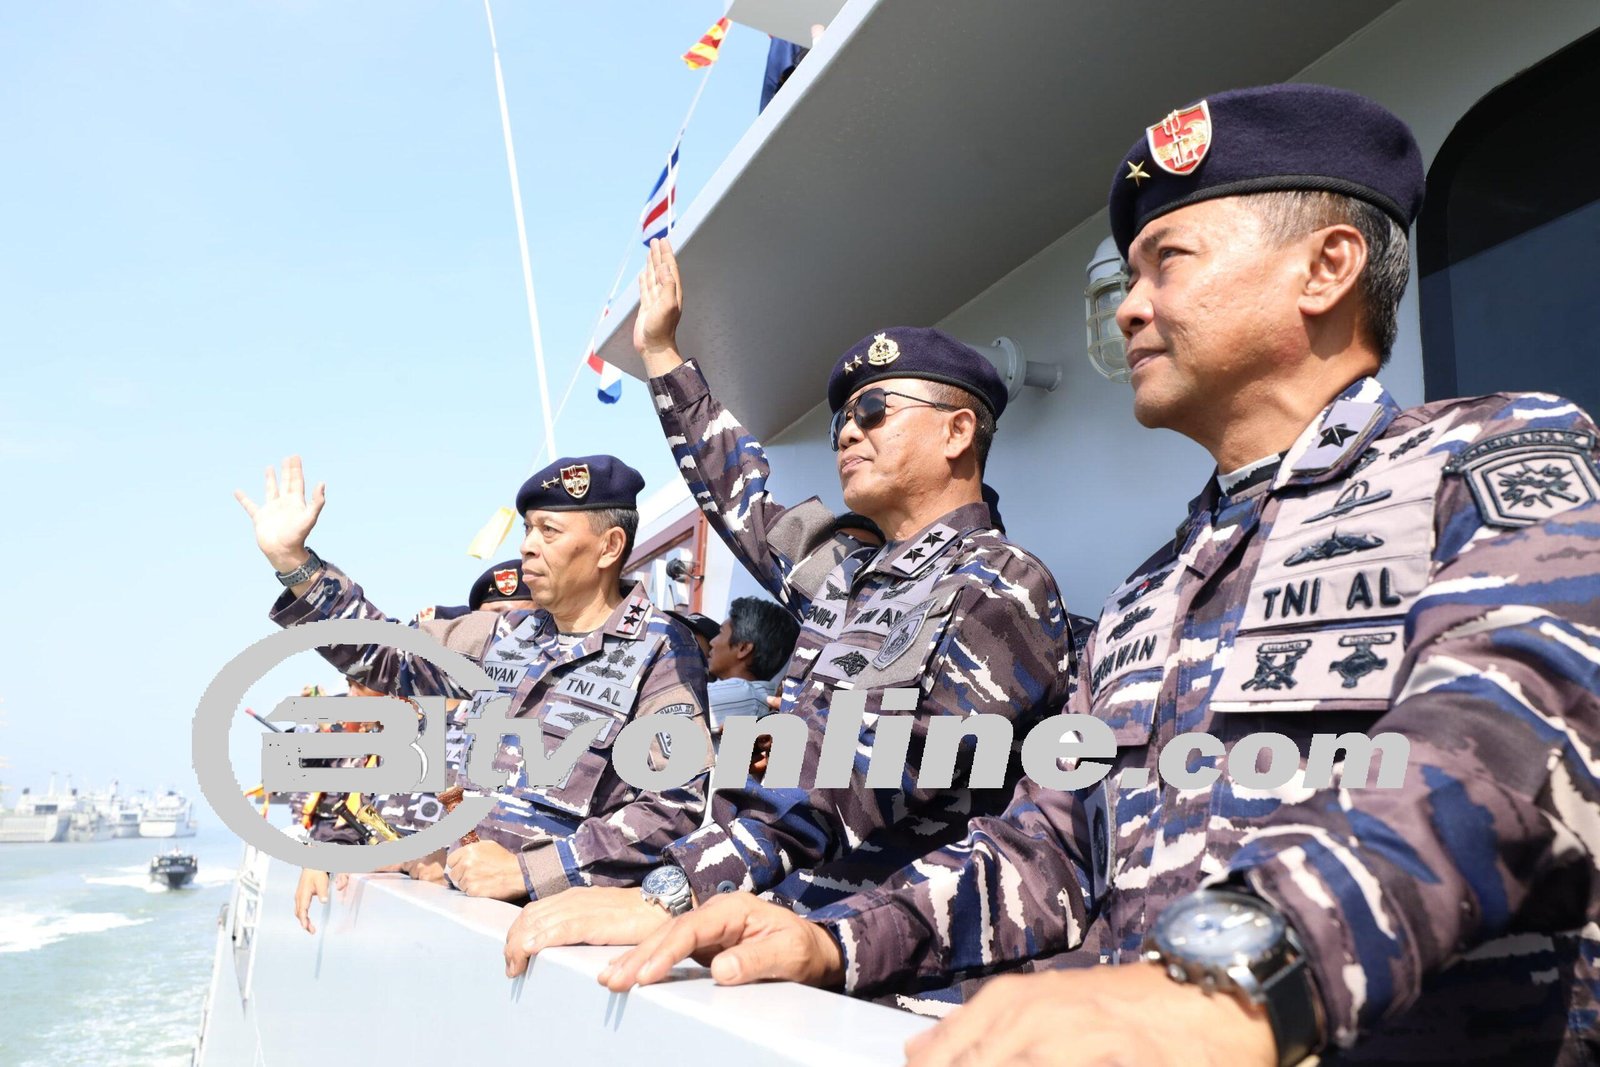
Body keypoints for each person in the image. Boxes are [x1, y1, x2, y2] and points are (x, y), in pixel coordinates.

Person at [570, 84, 1600, 1066]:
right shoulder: (1155, 588)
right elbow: (1049, 846)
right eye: (1128, 275)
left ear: (1325, 267)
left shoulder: (1489, 457)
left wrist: (1235, 975)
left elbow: (1504, 735)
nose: (1130, 309)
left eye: (1166, 262)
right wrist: (833, 937)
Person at [503, 239, 1089, 974]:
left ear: (957, 431)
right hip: (771, 929)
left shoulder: (1001, 585)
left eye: (874, 410)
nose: (847, 428)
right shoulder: (847, 578)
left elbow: (860, 765)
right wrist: (661, 356)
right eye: (844, 414)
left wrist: (673, 886)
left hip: (883, 968)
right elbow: (740, 495)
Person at [236, 453, 712, 905]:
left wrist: (530, 872)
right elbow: (382, 652)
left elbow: (670, 811)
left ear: (609, 547)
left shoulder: (663, 649)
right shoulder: (501, 635)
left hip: (555, 929)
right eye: (528, 529)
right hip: (461, 908)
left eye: (549, 530)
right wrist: (294, 563)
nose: (527, 545)